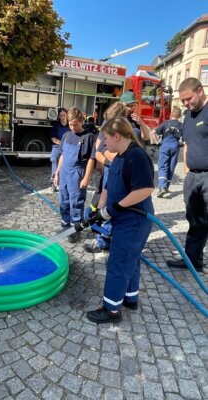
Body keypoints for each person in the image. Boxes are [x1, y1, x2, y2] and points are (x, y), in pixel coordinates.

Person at [86, 117, 154, 324]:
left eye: (106, 138)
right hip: (122, 218)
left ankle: (111, 310)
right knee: (130, 259)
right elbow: (108, 186)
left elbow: (145, 189)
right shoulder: (118, 156)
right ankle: (130, 299)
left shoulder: (137, 156)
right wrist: (98, 209)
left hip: (135, 219)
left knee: (119, 261)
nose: (104, 143)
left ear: (117, 136)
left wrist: (114, 208)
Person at [167, 77, 208, 273]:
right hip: (193, 177)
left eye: (188, 98)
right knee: (195, 219)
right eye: (182, 100)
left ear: (200, 91)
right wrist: (187, 167)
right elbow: (188, 143)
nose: (186, 103)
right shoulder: (188, 116)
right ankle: (193, 261)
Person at [84, 102, 127, 253]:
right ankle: (104, 237)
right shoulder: (107, 127)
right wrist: (108, 161)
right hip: (109, 171)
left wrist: (112, 160)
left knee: (112, 205)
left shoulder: (131, 131)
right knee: (103, 203)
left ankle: (105, 240)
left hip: (117, 173)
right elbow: (99, 150)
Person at [54, 107, 95, 243]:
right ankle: (65, 225)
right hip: (65, 172)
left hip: (77, 173)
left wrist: (86, 177)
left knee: (76, 202)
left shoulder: (88, 137)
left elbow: (91, 159)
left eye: (75, 124)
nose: (72, 127)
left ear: (81, 121)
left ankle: (75, 229)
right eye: (70, 124)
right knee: (63, 200)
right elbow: (62, 156)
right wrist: (57, 173)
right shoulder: (66, 135)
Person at [151, 106, 183, 198]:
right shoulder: (181, 125)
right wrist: (180, 144)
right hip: (175, 146)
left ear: (171, 114)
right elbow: (184, 139)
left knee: (163, 165)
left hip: (165, 146)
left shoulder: (165, 123)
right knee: (171, 166)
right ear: (180, 116)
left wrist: (157, 142)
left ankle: (162, 187)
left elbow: (153, 132)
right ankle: (166, 187)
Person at [50, 108, 69, 192]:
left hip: (68, 147)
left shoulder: (70, 126)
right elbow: (53, 138)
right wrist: (60, 143)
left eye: (64, 115)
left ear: (67, 115)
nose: (62, 117)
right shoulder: (56, 126)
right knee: (54, 161)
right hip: (57, 146)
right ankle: (53, 182)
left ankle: (64, 182)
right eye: (60, 116)